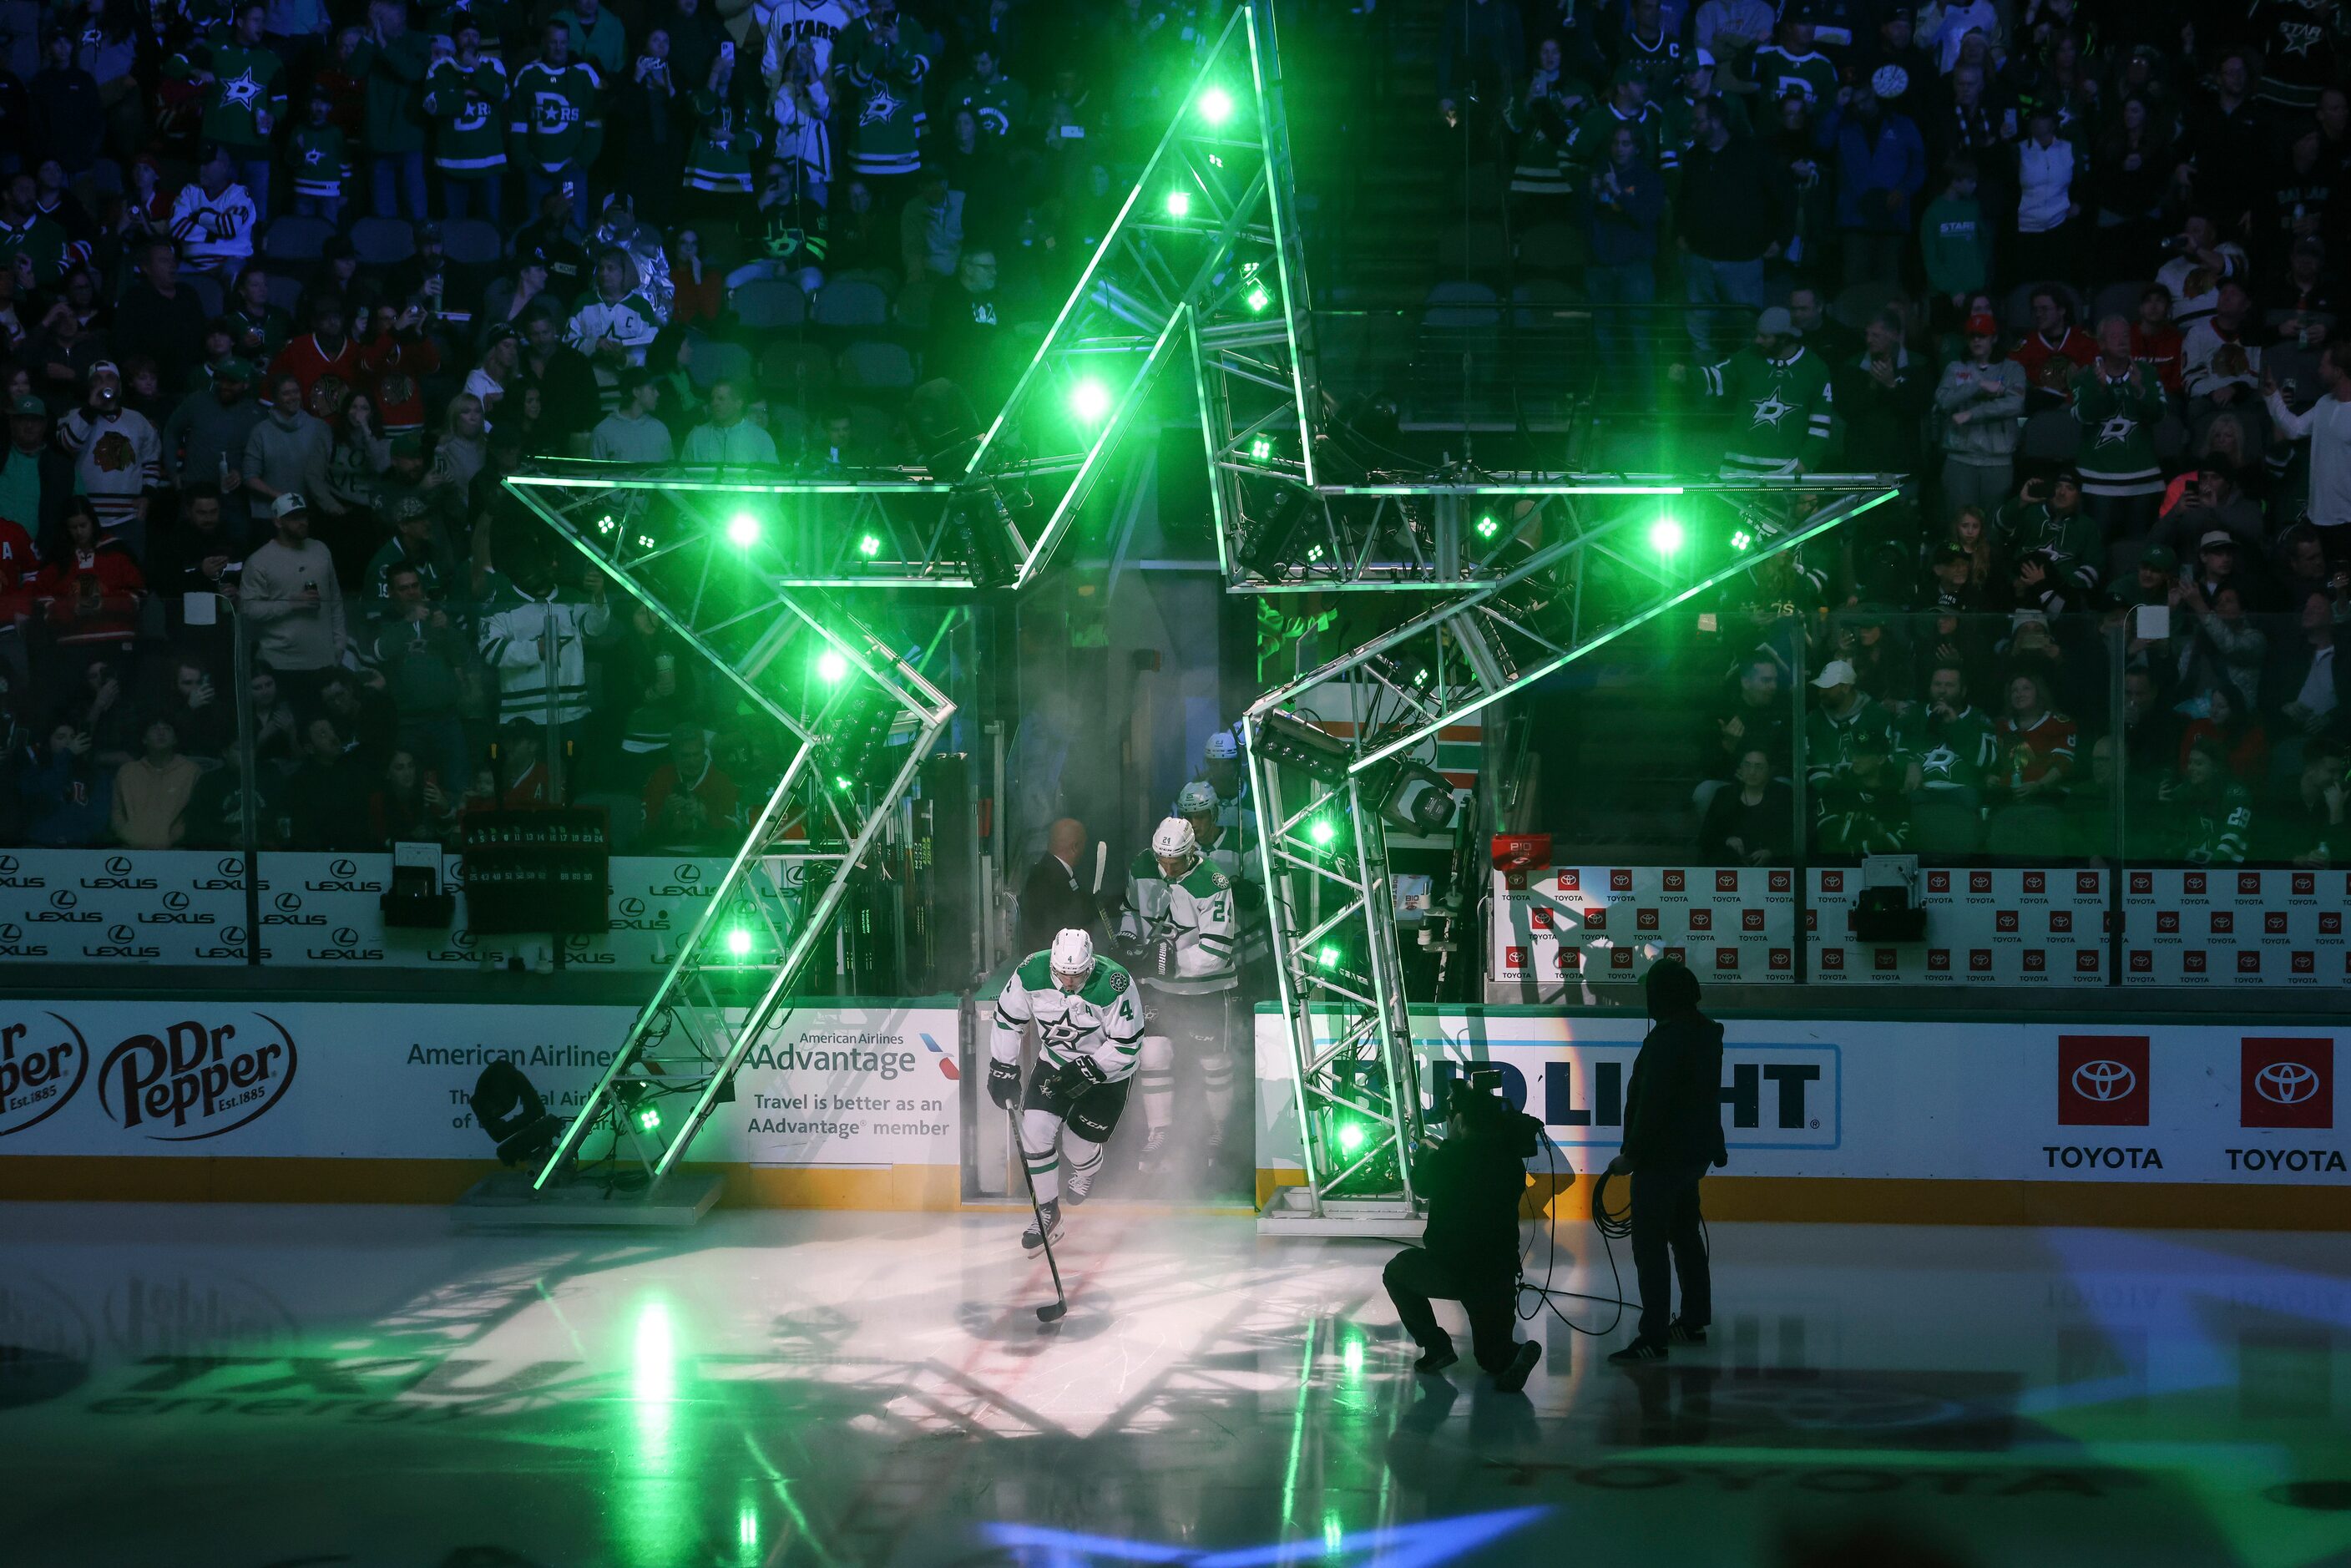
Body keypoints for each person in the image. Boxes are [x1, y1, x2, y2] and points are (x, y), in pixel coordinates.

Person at [987, 927, 1146, 1255]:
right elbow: (1008, 1019)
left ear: (1090, 965)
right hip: (1057, 1062)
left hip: (1108, 1073)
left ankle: (1087, 1168)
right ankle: (1048, 1213)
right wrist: (1003, 1066)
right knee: (1034, 1133)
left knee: (1076, 1146)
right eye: (1062, 974)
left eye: (1077, 975)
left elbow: (1128, 1045)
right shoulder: (1030, 971)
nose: (1069, 982)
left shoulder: (1115, 983)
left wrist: (1090, 1069)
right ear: (1052, 965)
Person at [1382, 1075, 1544, 1390]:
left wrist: (1442, 1145)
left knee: (1397, 1271)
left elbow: (1420, 1185)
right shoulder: (1509, 1161)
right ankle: (1518, 1352)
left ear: (1460, 1121)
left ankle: (1437, 1347)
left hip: (1452, 1270)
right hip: (1498, 1274)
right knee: (1492, 1359)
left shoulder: (1448, 1158)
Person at [1605, 958, 1725, 1364]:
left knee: (1650, 1245)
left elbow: (1653, 1105)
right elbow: (1706, 1098)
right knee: (1686, 1236)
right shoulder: (1706, 1034)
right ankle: (1692, 1320)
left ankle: (1653, 1336)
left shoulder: (1666, 1040)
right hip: (1693, 1155)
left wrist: (1631, 1156)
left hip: (1661, 1159)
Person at [1116, 815, 1241, 1170]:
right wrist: (1129, 936)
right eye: (1163, 862)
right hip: (1160, 987)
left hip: (1205, 989)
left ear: (1192, 852)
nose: (1168, 870)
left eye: (1176, 863)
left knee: (1213, 1060)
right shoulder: (1142, 865)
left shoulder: (1213, 882)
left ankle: (1220, 1127)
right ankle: (1160, 1132)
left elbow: (1216, 952)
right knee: (1153, 1054)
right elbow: (1132, 911)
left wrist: (1171, 963)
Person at [1676, 305, 1833, 478]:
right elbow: (1718, 377)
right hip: (1739, 465)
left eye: (1765, 337)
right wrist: (1688, 375)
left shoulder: (1814, 368)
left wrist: (1805, 462)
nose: (1757, 340)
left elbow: (1821, 423)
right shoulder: (1746, 358)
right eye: (1757, 334)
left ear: (1784, 338)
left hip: (1787, 469)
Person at [239, 493, 347, 687]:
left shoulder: (321, 550)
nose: (302, 522)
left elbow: (335, 600)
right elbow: (249, 609)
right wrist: (290, 604)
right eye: (294, 518)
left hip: (324, 660)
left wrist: (339, 643)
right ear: (278, 522)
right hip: (280, 663)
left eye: (304, 516)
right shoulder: (259, 561)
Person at [110, 716, 200, 847]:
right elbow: (117, 812)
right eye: (154, 728)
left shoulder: (191, 771)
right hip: (130, 849)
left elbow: (194, 815)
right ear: (144, 739)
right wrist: (127, 836)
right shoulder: (127, 772)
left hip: (174, 852)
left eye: (167, 729)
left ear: (175, 739)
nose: (161, 732)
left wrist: (174, 840)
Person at [1017, 815, 1099, 957]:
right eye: (1084, 844)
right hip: (1053, 963)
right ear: (1075, 847)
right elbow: (1055, 927)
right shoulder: (1047, 879)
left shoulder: (1051, 873)